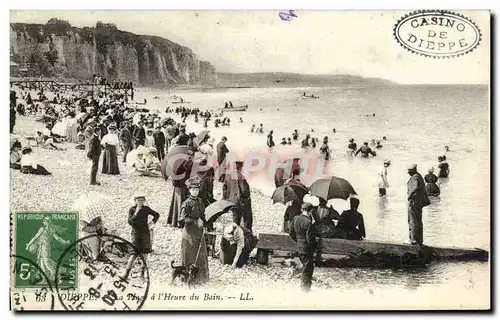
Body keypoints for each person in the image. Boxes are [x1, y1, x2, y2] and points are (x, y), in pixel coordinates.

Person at [179, 179, 210, 284]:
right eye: (193, 190)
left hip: (199, 232)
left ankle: (200, 277)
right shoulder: (186, 203)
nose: (195, 192)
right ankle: (188, 278)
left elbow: (203, 215)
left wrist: (205, 223)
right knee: (190, 254)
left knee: (200, 253)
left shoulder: (200, 201)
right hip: (189, 232)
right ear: (189, 191)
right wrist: (195, 221)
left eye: (197, 190)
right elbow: (182, 219)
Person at [123, 193, 160, 279]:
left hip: (145, 234)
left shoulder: (146, 209)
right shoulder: (132, 209)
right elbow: (130, 222)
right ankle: (126, 274)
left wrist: (152, 222)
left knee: (144, 255)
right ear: (135, 201)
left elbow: (156, 214)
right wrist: (136, 212)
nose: (140, 202)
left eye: (142, 200)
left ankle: (142, 274)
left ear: (144, 201)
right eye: (138, 200)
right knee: (133, 255)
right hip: (135, 234)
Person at [25, 216, 70, 283]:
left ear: (47, 222)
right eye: (43, 221)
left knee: (46, 262)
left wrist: (65, 242)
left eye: (44, 221)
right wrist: (65, 242)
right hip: (42, 247)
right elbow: (35, 238)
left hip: (45, 247)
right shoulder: (47, 229)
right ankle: (45, 278)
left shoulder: (44, 229)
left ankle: (56, 273)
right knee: (42, 263)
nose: (43, 222)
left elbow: (35, 238)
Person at [289, 202, 317, 292]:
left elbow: (291, 232)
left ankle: (304, 286)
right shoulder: (308, 222)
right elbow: (310, 239)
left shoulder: (296, 218)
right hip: (307, 249)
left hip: (299, 246)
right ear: (311, 211)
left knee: (305, 266)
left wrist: (298, 241)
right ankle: (305, 289)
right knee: (308, 269)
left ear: (302, 209)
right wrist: (314, 247)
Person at [222, 161, 253, 231]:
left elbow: (224, 189)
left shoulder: (228, 176)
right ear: (239, 167)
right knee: (247, 221)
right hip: (242, 202)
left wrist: (227, 199)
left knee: (235, 221)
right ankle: (247, 237)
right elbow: (245, 190)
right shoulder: (240, 176)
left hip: (232, 202)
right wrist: (247, 197)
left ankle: (234, 237)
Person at [168, 150, 193, 228]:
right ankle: (180, 221)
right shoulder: (185, 163)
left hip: (177, 185)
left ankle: (174, 220)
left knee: (176, 202)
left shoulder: (178, 161)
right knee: (181, 203)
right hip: (182, 185)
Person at [407, 164, 428, 245]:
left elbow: (415, 187)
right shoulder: (419, 176)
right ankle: (419, 240)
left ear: (413, 170)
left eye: (409, 171)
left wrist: (410, 196)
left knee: (412, 221)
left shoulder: (415, 177)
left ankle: (413, 240)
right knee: (418, 221)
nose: (408, 172)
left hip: (414, 202)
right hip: (418, 202)